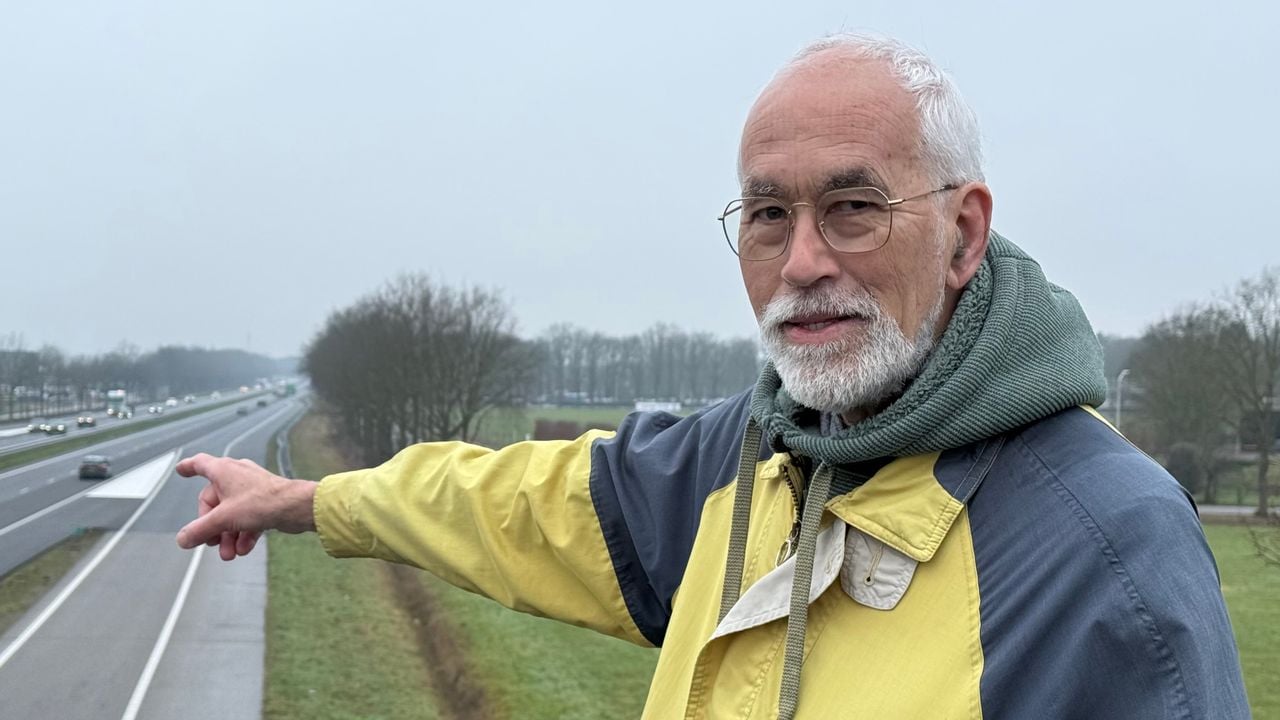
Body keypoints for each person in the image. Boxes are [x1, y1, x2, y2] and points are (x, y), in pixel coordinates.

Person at [176, 32, 1250, 719]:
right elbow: (512, 507)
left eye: (853, 206)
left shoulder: (1106, 553)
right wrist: (309, 501)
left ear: (963, 234)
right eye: (768, 214)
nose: (801, 263)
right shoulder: (749, 457)